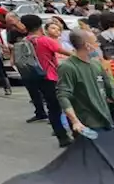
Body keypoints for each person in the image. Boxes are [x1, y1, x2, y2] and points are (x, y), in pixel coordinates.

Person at [57, 30, 114, 135]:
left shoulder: (96, 64)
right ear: (87, 45)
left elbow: (111, 90)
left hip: (105, 120)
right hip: (86, 124)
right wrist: (75, 121)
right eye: (95, 41)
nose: (98, 45)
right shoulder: (68, 67)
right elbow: (63, 95)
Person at [18, 14, 74, 147]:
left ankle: (62, 136)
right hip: (51, 76)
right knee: (66, 105)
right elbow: (64, 52)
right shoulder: (44, 40)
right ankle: (75, 132)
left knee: (52, 107)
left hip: (36, 77)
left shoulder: (25, 41)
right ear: (40, 25)